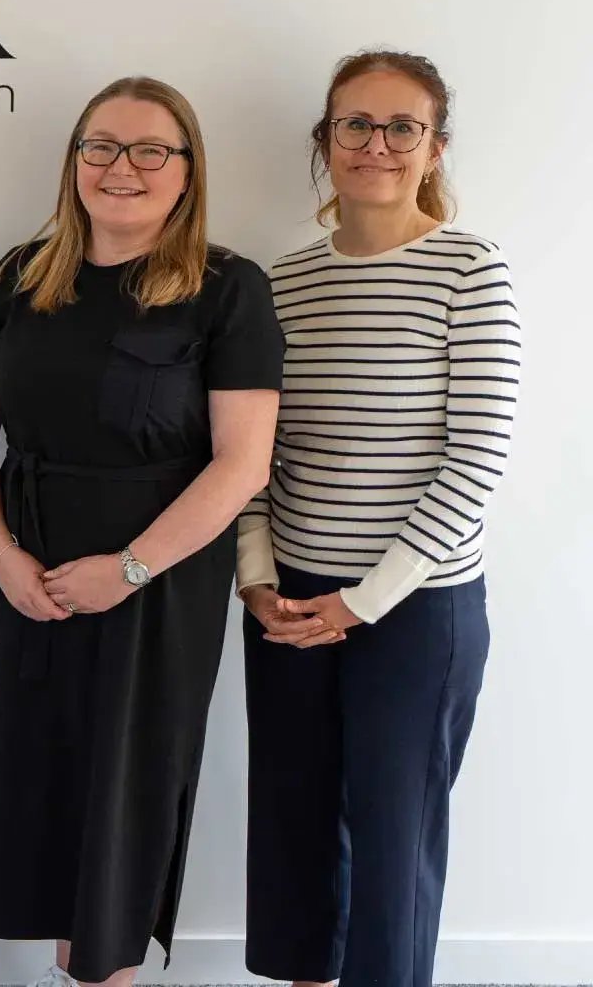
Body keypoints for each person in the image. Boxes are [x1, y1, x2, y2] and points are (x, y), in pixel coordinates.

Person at [0, 77, 284, 987]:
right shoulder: (21, 273)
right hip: (34, 573)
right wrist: (3, 555)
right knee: (51, 788)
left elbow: (241, 464)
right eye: (100, 146)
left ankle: (105, 976)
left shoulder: (228, 288)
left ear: (186, 173)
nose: (121, 167)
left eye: (149, 150)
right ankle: (74, 972)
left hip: (158, 581)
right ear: (74, 162)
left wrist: (128, 570)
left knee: (125, 799)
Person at [237, 50, 519, 987]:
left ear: (435, 148)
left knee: (394, 845)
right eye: (355, 124)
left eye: (404, 127)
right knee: (295, 829)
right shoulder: (281, 283)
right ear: (326, 142)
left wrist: (366, 599)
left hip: (415, 610)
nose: (378, 145)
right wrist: (258, 577)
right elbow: (252, 455)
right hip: (290, 604)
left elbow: (475, 461)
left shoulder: (469, 272)